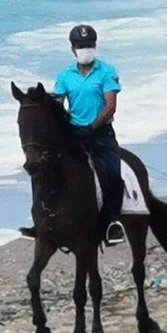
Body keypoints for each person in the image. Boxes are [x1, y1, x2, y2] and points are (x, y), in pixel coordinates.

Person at [21, 24, 126, 246]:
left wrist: (92, 128)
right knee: (41, 169)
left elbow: (110, 107)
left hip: (101, 134)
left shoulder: (107, 72)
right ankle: (39, 219)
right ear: (73, 49)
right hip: (74, 134)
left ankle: (112, 223)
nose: (85, 49)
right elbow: (58, 105)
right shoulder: (65, 76)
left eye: (88, 46)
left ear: (95, 46)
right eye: (80, 46)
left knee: (113, 173)